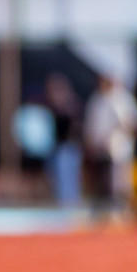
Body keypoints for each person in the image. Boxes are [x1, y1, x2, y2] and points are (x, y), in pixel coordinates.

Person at [83, 75, 137, 215]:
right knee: (101, 184)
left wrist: (118, 136)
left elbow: (133, 124)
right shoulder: (97, 99)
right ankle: (104, 212)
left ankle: (127, 212)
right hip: (100, 150)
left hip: (119, 150)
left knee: (120, 184)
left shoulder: (122, 99)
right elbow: (91, 126)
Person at [46, 73, 84, 207]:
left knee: (68, 178)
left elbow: (75, 127)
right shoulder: (52, 106)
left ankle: (70, 204)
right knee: (57, 178)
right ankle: (62, 203)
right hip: (56, 147)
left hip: (68, 148)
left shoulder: (70, 105)